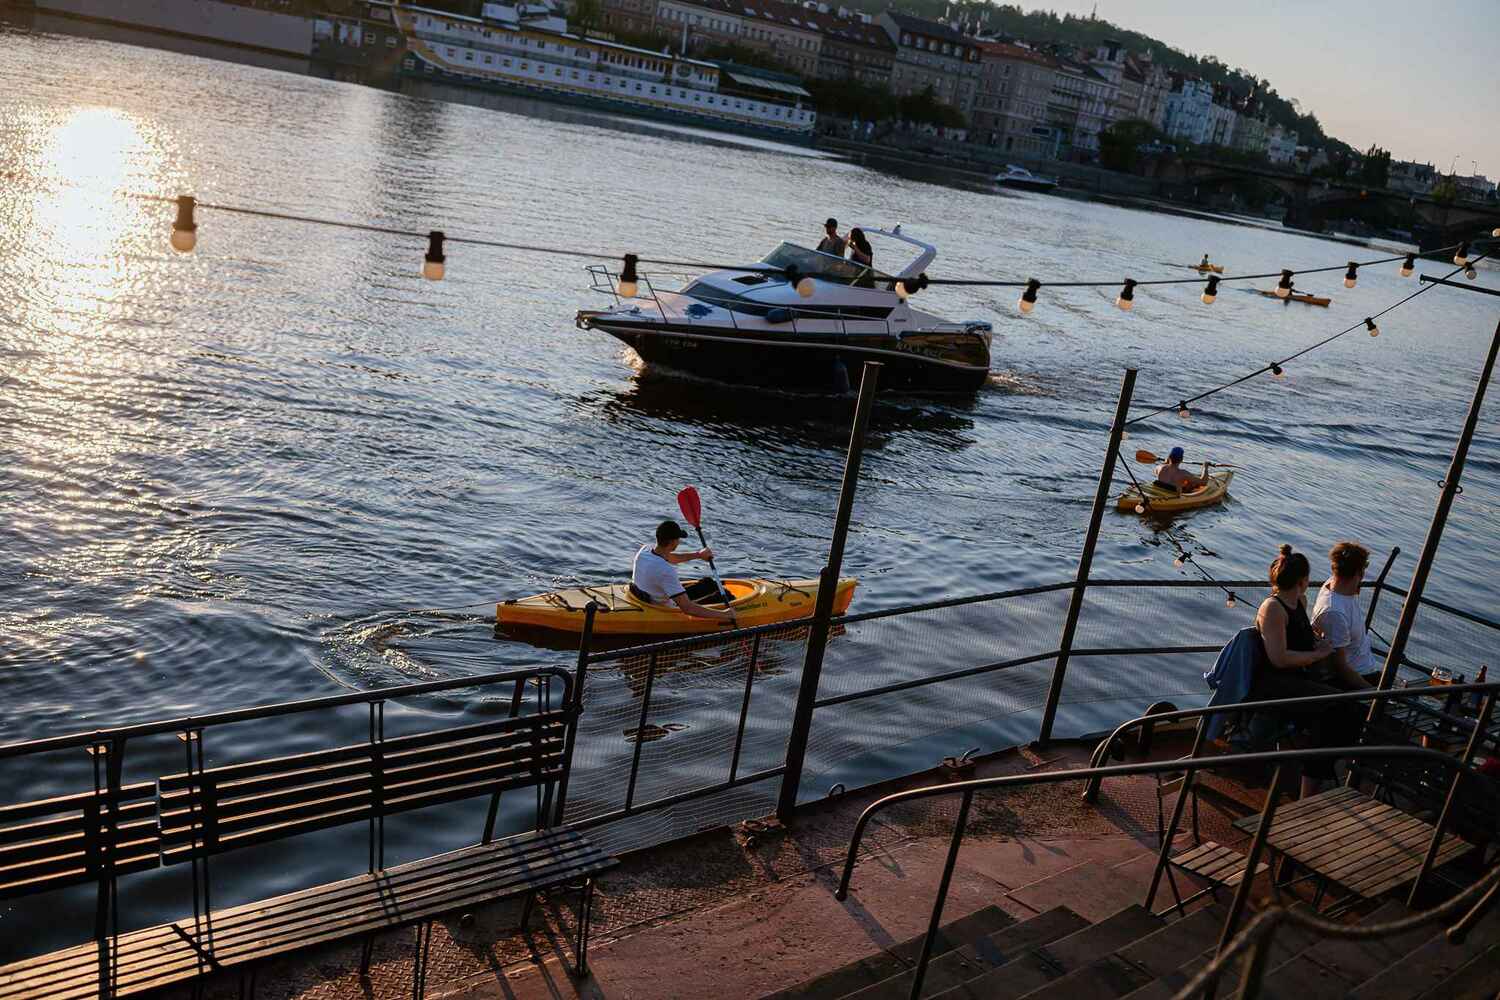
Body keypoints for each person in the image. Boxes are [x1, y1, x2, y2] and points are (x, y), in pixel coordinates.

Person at [1252, 544, 1363, 797]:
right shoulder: (1273, 608)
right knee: (1338, 707)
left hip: (1301, 677)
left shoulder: (1299, 602)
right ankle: (1314, 774)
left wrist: (1318, 642)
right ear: (1303, 580)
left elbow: (1301, 637)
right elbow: (1279, 658)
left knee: (1352, 704)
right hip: (1277, 684)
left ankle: (1323, 764)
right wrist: (1317, 655)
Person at [631, 520, 735, 623]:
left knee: (708, 583)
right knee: (723, 596)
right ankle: (733, 610)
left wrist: (699, 555)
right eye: (678, 539)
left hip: (646, 597)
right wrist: (725, 614)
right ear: (672, 542)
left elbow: (671, 558)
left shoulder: (645, 550)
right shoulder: (666, 571)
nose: (679, 542)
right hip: (665, 608)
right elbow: (688, 608)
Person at [1311, 541, 1378, 691]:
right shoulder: (1334, 612)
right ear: (1359, 573)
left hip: (1367, 667)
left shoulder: (1333, 582)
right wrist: (1374, 692)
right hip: (1358, 677)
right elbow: (1341, 667)